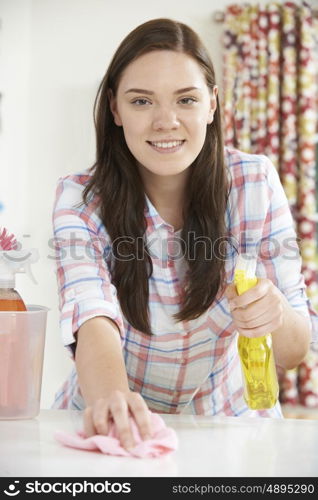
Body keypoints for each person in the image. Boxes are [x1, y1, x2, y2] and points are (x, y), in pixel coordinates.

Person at [52, 18, 317, 450]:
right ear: (115, 109)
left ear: (211, 105)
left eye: (186, 99)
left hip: (228, 424)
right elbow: (91, 313)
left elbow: (292, 353)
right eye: (141, 101)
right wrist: (117, 404)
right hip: (115, 412)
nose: (166, 121)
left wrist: (277, 314)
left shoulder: (254, 183)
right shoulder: (81, 198)